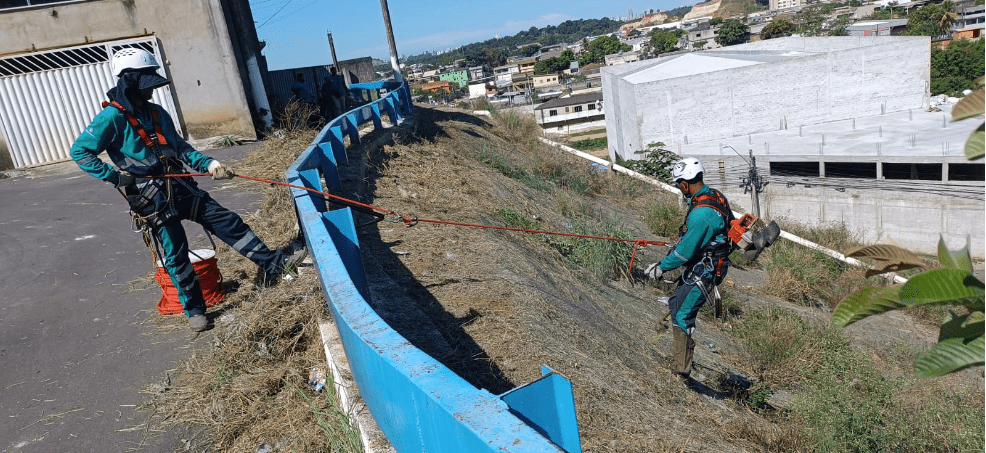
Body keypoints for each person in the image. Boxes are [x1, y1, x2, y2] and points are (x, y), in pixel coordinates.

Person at [70, 48, 300, 332]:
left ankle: (274, 264)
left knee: (227, 221)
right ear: (130, 82)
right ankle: (194, 310)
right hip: (149, 196)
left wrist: (210, 164)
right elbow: (80, 151)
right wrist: (115, 178)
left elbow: (181, 149)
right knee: (176, 252)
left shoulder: (157, 113)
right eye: (146, 84)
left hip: (179, 184)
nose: (152, 90)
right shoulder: (110, 119)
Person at [644, 157, 734, 383]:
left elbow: (684, 253)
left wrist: (660, 268)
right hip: (706, 264)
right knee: (676, 304)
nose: (679, 188)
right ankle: (681, 361)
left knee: (683, 314)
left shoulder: (701, 214)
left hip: (705, 269)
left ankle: (681, 371)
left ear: (685, 184)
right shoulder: (715, 196)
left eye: (678, 185)